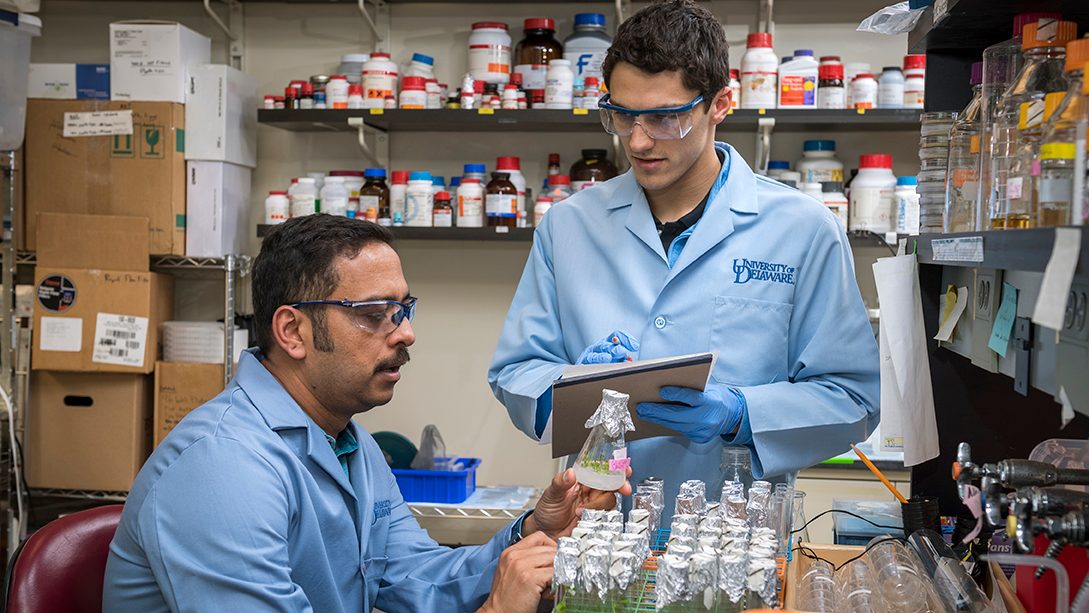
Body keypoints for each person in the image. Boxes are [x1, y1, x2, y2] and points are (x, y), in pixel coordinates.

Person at [103, 215, 628, 612]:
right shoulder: (224, 468)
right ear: (292, 332)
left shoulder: (350, 443)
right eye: (375, 314)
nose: (406, 333)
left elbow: (419, 579)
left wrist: (535, 529)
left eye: (404, 309)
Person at [489, 0, 880, 518]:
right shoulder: (569, 226)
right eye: (622, 116)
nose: (639, 140)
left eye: (665, 117)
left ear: (720, 102)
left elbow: (852, 397)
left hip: (738, 545)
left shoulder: (802, 229)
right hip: (595, 536)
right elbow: (516, 370)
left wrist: (740, 412)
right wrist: (565, 389)